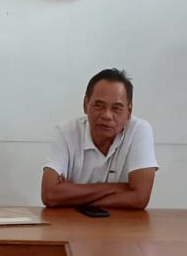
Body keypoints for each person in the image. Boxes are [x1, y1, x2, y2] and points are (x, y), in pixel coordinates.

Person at [41, 68, 158, 210]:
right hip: (73, 226)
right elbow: (49, 194)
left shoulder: (139, 130)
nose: (107, 115)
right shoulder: (66, 132)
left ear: (129, 111)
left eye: (116, 108)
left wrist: (71, 196)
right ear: (85, 105)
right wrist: (120, 188)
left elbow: (140, 198)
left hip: (123, 227)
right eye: (99, 105)